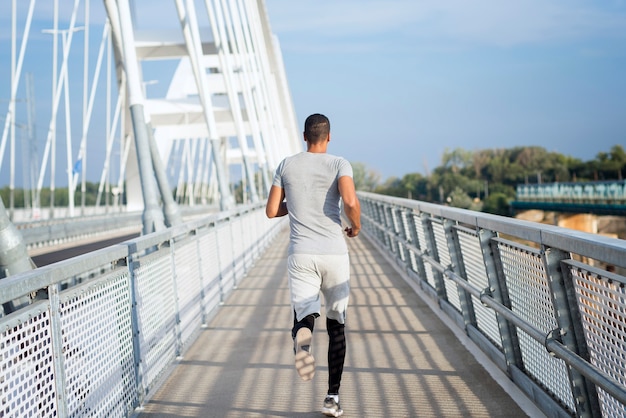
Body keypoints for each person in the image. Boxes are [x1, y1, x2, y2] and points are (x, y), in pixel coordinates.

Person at [265, 113, 361, 417]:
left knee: (304, 314)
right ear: (329, 137)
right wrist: (355, 225)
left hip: (301, 254)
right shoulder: (339, 163)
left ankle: (303, 335)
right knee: (337, 325)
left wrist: (295, 202)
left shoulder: (286, 164)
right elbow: (349, 201)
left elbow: (271, 210)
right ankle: (332, 398)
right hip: (334, 253)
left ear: (304, 136)